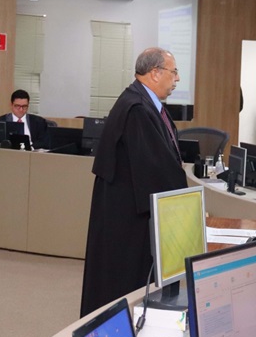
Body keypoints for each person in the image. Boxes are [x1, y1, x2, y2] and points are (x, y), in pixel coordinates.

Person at [80, 48, 187, 317]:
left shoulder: (140, 102)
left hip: (126, 212)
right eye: (174, 72)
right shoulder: (137, 109)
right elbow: (158, 169)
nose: (177, 79)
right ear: (155, 73)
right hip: (129, 219)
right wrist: (185, 205)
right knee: (124, 289)